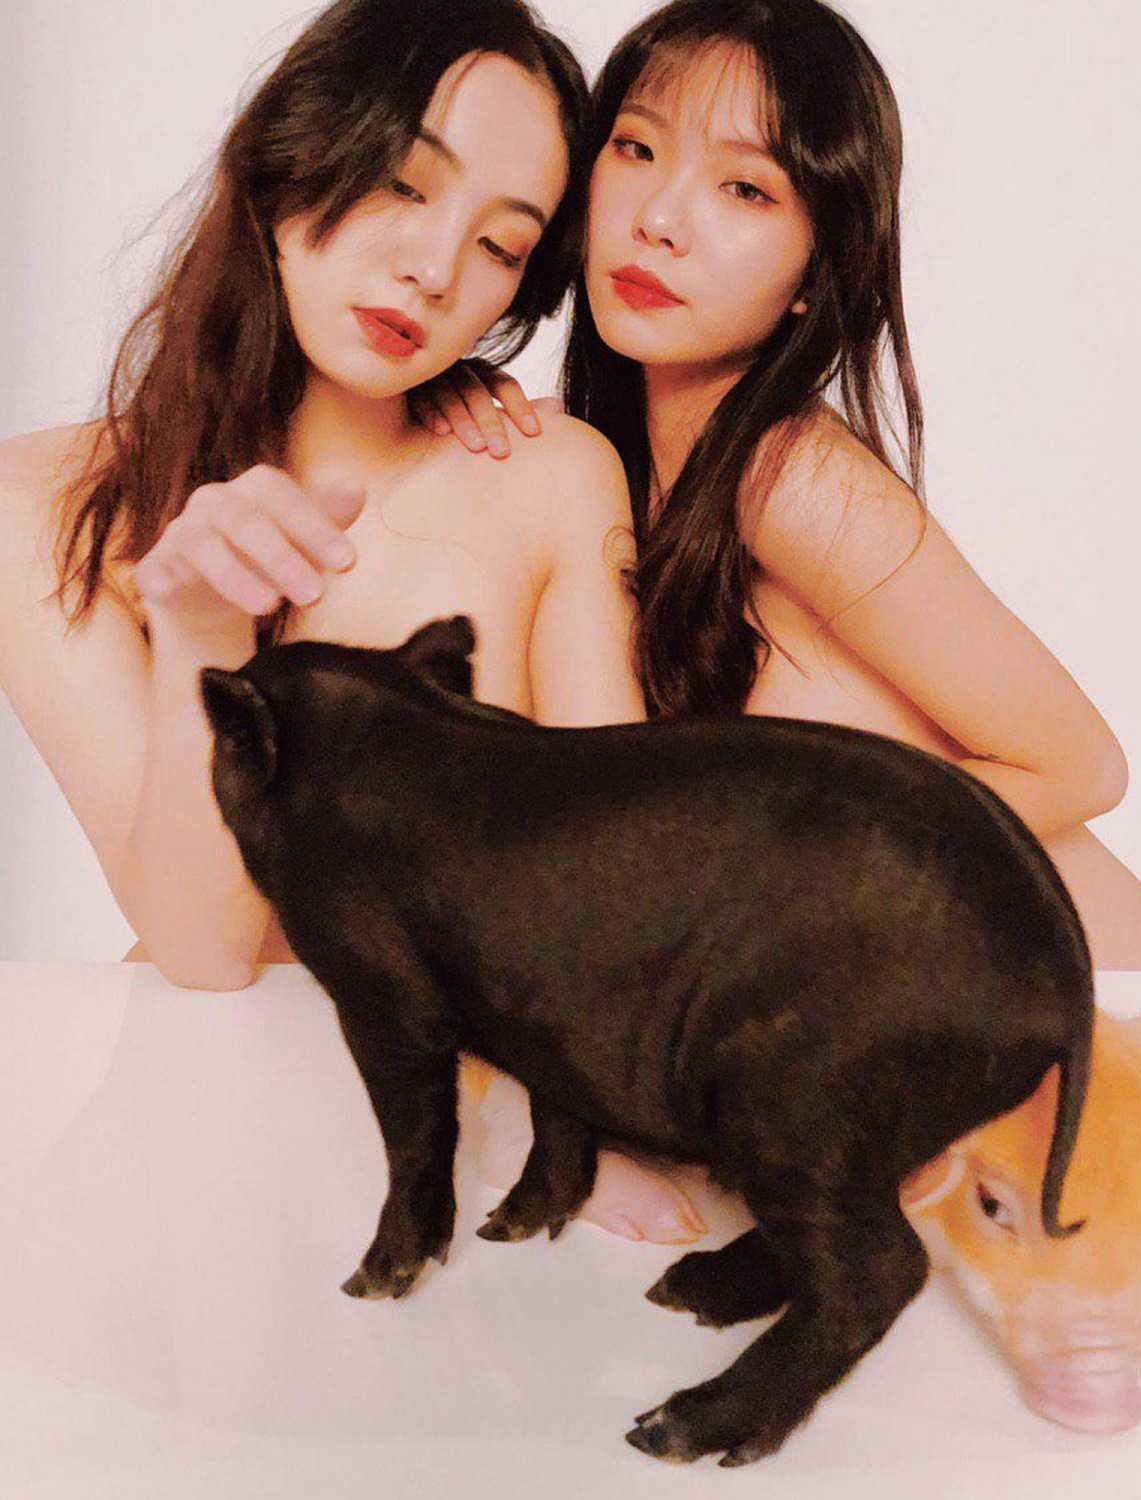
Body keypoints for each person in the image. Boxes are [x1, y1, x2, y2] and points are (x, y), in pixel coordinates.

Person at [420, 0, 1141, 1242]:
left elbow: (1079, 764)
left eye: (745, 190)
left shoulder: (784, 475)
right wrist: (449, 412)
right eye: (636, 148)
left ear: (812, 274)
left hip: (1106, 1046)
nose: (661, 217)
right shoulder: (615, 477)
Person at [0, 0, 708, 1245]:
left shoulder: (547, 477)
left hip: (479, 1158)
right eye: (402, 185)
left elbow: (615, 902)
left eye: (500, 246)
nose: (436, 270)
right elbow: (205, 953)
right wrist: (204, 637)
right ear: (291, 152)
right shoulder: (39, 504)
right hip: (203, 1154)